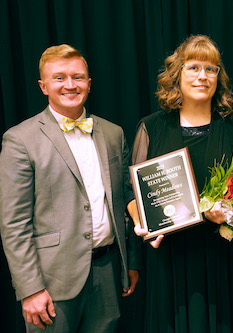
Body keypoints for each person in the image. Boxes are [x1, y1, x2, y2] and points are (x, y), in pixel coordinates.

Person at [127, 35, 233, 333]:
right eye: (193, 67)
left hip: (224, 259)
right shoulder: (151, 127)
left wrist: (231, 214)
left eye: (211, 69)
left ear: (219, 77)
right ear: (177, 74)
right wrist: (140, 218)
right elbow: (133, 193)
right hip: (169, 260)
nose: (202, 76)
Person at [0, 44, 140, 332]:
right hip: (51, 281)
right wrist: (29, 288)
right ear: (43, 86)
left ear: (89, 83)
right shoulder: (20, 139)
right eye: (59, 78)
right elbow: (14, 223)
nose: (70, 85)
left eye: (78, 77)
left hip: (107, 271)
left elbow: (126, 201)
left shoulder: (114, 134)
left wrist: (131, 262)